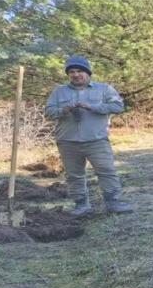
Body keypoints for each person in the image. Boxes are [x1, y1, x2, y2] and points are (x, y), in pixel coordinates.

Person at [45, 56, 133, 216]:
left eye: (79, 71)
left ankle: (113, 203)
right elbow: (48, 111)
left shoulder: (104, 89)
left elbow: (118, 106)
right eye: (71, 72)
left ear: (88, 73)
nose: (76, 74)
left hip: (96, 140)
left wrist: (92, 106)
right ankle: (81, 205)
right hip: (68, 141)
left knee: (106, 170)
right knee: (74, 175)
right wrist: (61, 111)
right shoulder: (59, 91)